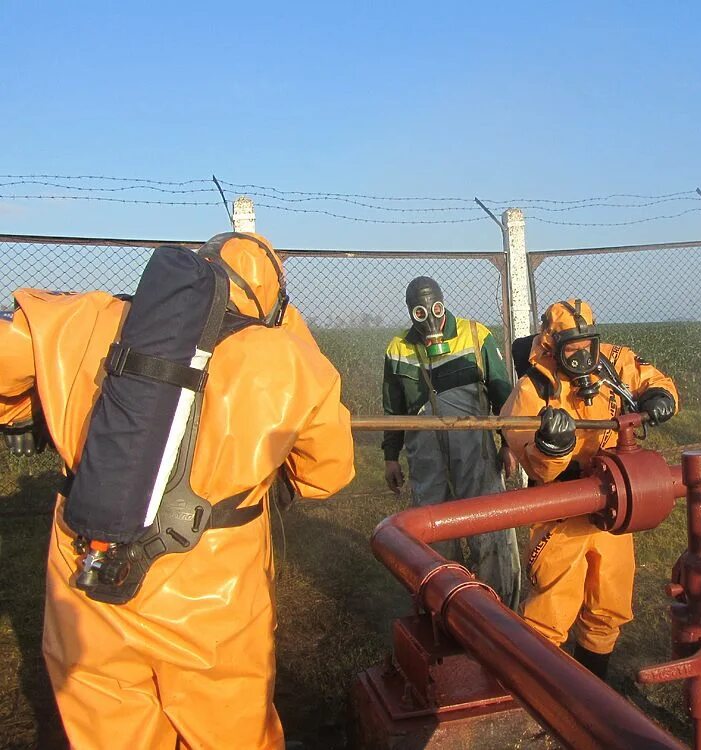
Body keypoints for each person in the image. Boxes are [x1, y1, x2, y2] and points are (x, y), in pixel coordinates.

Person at [0, 232, 355, 749]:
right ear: (273, 299)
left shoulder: (90, 317)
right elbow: (329, 473)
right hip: (215, 603)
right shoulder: (289, 358)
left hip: (89, 580)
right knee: (231, 735)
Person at [501, 298, 678, 679]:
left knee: (609, 601)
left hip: (613, 503)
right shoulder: (534, 387)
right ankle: (538, 692)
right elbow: (532, 458)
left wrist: (660, 397)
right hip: (562, 507)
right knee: (551, 605)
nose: (581, 358)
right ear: (551, 344)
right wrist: (551, 447)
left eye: (587, 346)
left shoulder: (614, 361)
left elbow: (653, 378)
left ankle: (595, 685)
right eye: (570, 349)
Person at [382, 276, 521, 609]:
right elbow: (393, 408)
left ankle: (501, 609)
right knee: (434, 533)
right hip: (425, 457)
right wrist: (391, 456)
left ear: (443, 304)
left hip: (475, 451)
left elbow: (504, 395)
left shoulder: (476, 335)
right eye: (420, 312)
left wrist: (508, 443)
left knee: (489, 524)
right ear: (411, 312)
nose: (430, 318)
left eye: (435, 308)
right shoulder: (397, 349)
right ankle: (447, 606)